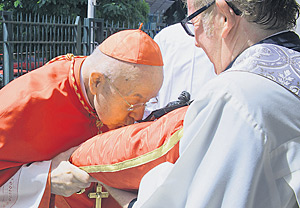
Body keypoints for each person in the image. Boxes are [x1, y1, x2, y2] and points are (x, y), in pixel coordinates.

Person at [102, 0, 300, 207]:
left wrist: (112, 183)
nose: (196, 41)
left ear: (224, 17)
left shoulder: (234, 97)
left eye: (194, 23)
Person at [0, 28, 164, 207]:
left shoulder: (114, 87)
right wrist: (45, 180)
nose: (139, 116)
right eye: (133, 102)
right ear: (96, 82)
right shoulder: (19, 106)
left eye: (147, 102)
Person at [144, 23, 215, 117]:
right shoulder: (166, 37)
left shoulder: (222, 37)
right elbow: (148, 92)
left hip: (206, 119)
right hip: (166, 123)